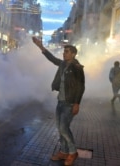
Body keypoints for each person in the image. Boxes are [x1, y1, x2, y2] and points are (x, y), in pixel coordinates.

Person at [32, 37, 85, 166]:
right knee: (60, 128)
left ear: (73, 54)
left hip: (70, 103)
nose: (64, 53)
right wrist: (41, 46)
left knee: (63, 128)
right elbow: (52, 58)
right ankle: (63, 151)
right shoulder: (62, 64)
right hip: (60, 102)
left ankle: (73, 152)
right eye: (64, 51)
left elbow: (81, 86)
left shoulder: (77, 67)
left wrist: (77, 103)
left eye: (67, 51)